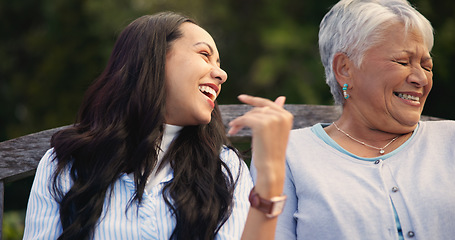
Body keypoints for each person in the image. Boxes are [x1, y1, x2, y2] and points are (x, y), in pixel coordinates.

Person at [22, 12, 293, 240]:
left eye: (219, 64)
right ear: (152, 59)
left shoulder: (224, 166)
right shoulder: (67, 165)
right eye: (204, 55)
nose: (221, 74)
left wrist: (270, 174)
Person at [270, 0, 455, 239]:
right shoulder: (290, 153)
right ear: (345, 69)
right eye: (402, 61)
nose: (421, 78)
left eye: (427, 66)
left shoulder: (450, 141)